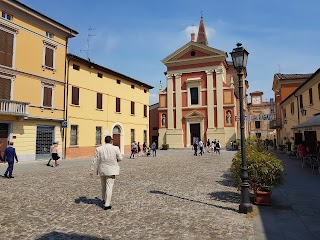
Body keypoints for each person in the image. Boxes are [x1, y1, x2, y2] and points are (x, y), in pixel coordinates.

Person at [90, 136, 123, 210]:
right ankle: (107, 204)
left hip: (102, 169)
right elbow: (120, 158)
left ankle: (104, 199)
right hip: (111, 170)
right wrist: (116, 160)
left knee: (103, 185)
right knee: (109, 186)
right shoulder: (115, 148)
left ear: (105, 141)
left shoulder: (99, 149)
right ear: (111, 141)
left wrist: (91, 169)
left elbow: (94, 159)